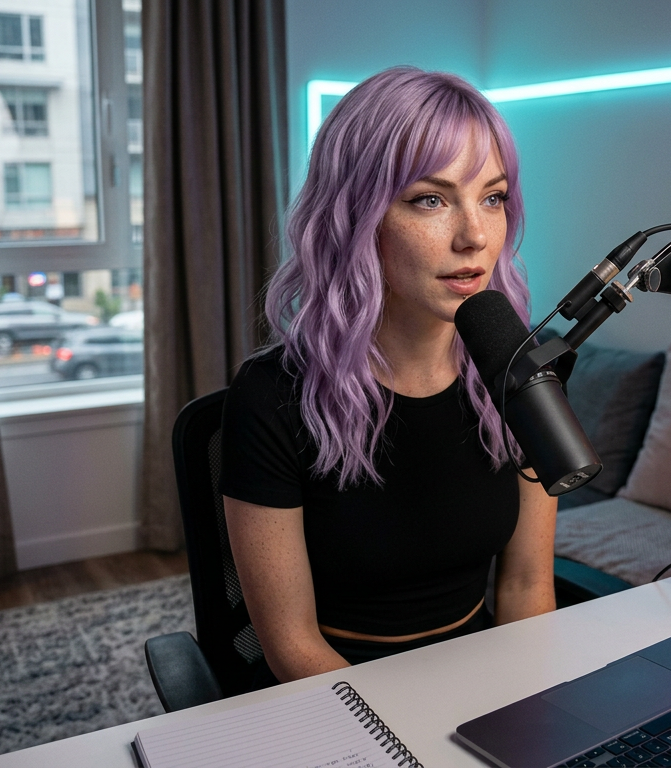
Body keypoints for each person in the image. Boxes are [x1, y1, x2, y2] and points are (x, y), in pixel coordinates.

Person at [219, 66, 557, 685]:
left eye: (493, 196)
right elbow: (291, 647)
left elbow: (526, 587)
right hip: (337, 693)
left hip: (482, 676)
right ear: (357, 217)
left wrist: (535, 709)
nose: (475, 237)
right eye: (430, 199)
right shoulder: (270, 398)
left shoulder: (520, 373)